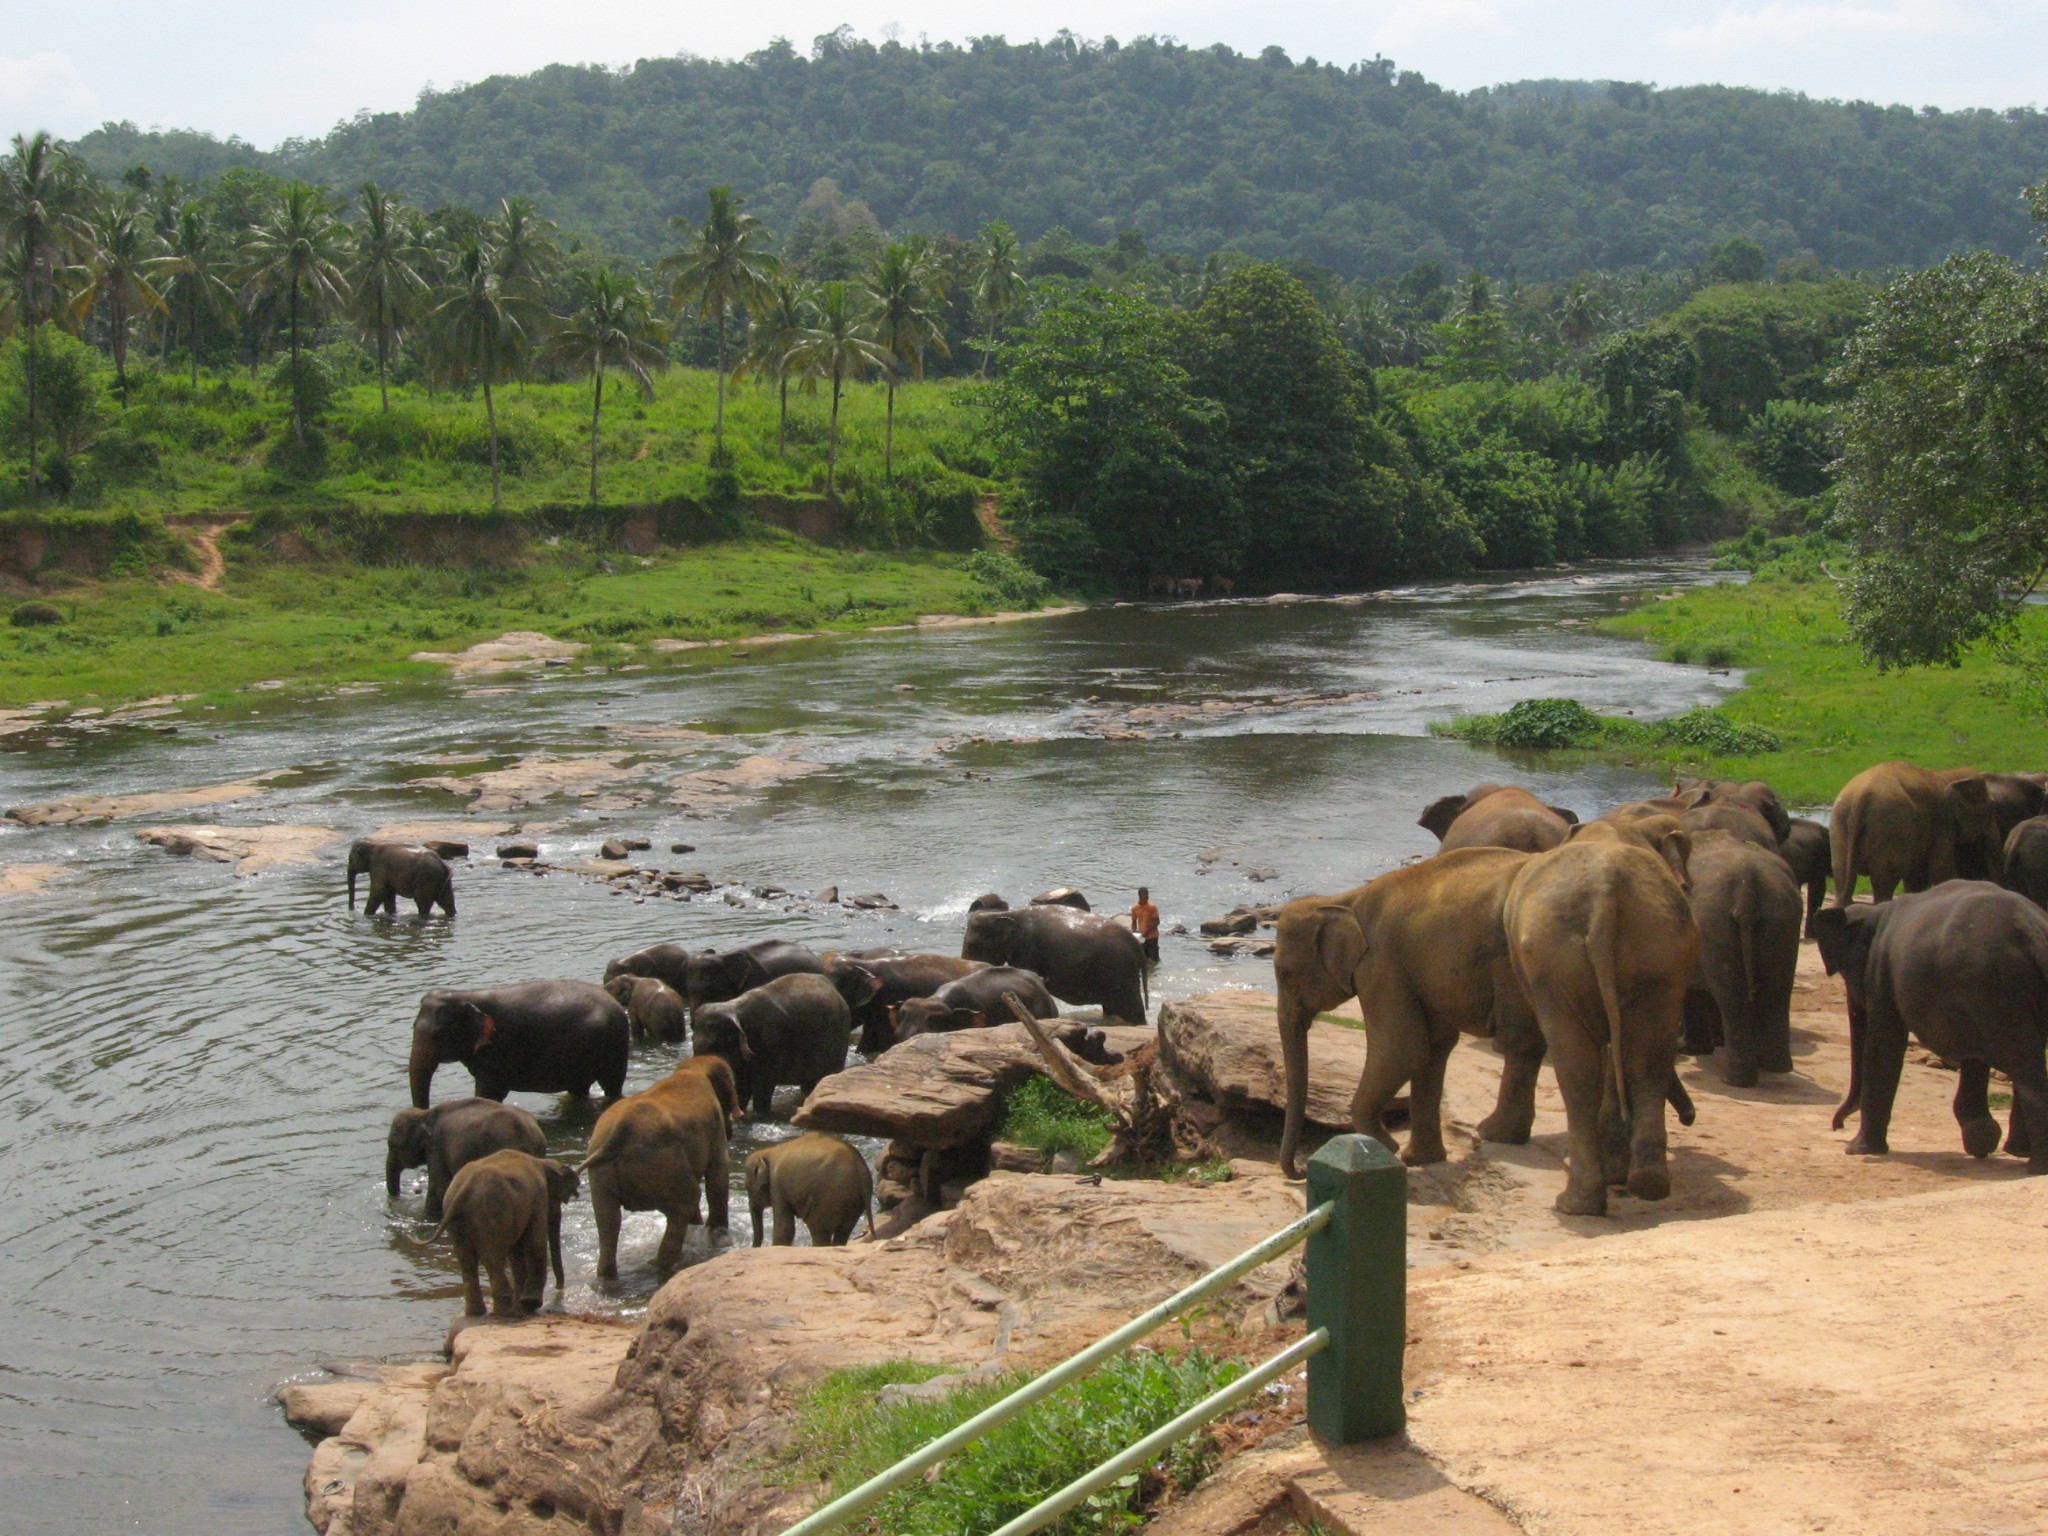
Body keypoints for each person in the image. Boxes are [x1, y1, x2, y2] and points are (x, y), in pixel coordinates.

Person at [1131, 886, 1161, 963]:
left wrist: (1148, 930)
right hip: (1142, 937)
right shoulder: (1135, 908)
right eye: (1145, 894)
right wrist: (1133, 934)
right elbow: (1134, 921)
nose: (1147, 896)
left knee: (1154, 959)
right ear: (1140, 895)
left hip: (1152, 937)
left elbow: (1157, 921)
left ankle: (1155, 973)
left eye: (1147, 894)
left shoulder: (1152, 907)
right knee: (1143, 959)